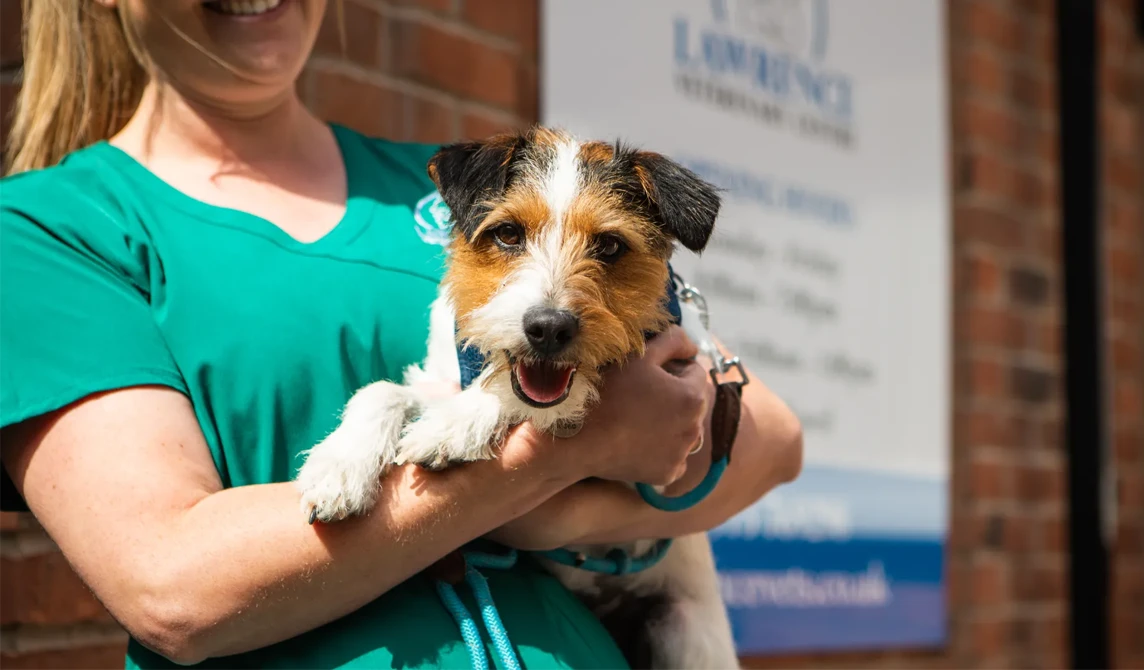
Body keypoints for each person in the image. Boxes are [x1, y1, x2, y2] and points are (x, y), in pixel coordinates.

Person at [0, 0, 804, 667]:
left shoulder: (468, 186)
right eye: (512, 240)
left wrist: (573, 514)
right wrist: (560, 462)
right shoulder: (53, 231)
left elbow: (773, 436)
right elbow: (172, 592)